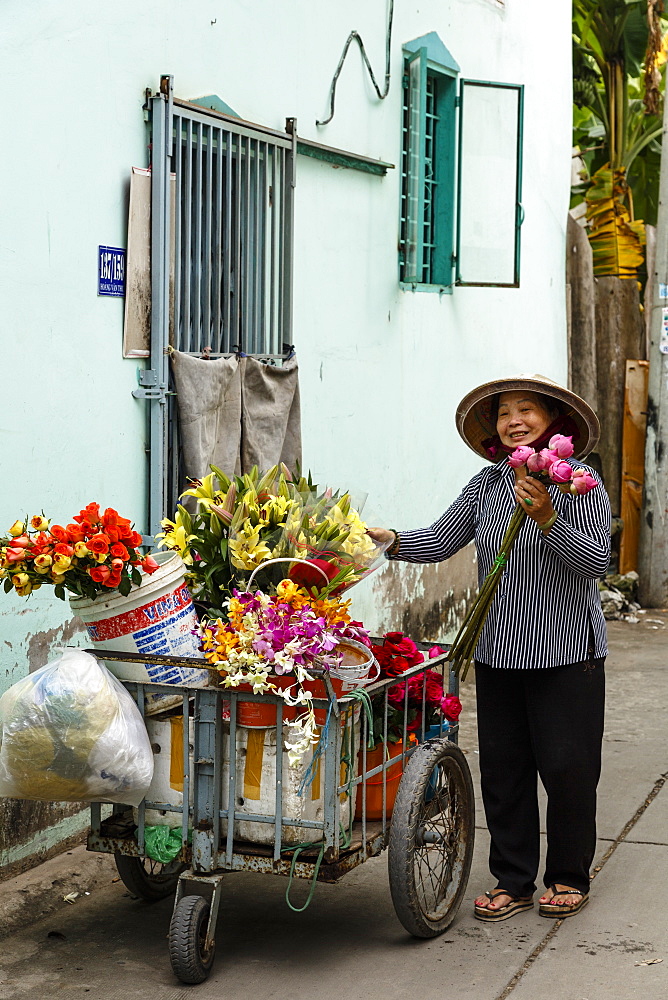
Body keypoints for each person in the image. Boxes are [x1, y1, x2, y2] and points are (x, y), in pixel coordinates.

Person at [369, 375, 611, 922]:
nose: (514, 420)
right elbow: (437, 540)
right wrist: (385, 539)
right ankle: (513, 879)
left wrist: (550, 518)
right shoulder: (486, 485)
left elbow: (597, 563)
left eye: (526, 410)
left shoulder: (580, 484)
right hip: (500, 651)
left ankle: (569, 876)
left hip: (570, 652)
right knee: (504, 771)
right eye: (504, 413)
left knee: (569, 768)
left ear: (553, 423)